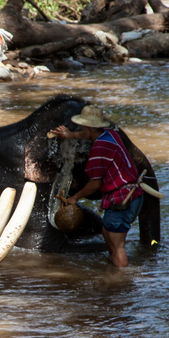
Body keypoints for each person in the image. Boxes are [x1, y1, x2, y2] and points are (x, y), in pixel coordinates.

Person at [50, 105, 144, 267]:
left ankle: (121, 279)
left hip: (123, 199)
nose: (81, 129)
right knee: (106, 232)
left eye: (82, 127)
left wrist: (74, 198)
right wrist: (70, 135)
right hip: (132, 194)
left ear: (88, 127)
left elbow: (95, 184)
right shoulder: (110, 134)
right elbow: (88, 136)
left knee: (118, 245)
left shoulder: (99, 148)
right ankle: (113, 264)